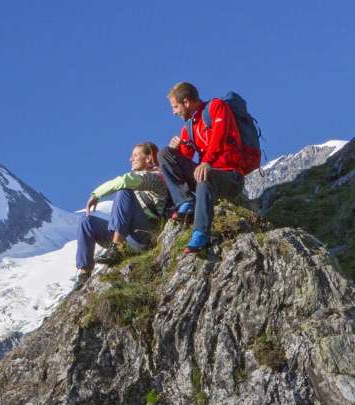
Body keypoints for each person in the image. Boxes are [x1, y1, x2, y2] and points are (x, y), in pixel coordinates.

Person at [159, 81, 258, 253]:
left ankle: (200, 234)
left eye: (175, 107)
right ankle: (185, 202)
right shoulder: (189, 127)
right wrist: (177, 150)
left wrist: (207, 162)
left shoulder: (216, 107)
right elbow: (184, 158)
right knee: (164, 154)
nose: (173, 112)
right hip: (205, 173)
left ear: (187, 102)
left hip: (230, 177)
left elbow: (219, 138)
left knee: (205, 176)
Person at [75, 142, 168, 286]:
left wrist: (96, 195)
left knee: (123, 191)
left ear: (149, 158)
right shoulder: (136, 179)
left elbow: (124, 181)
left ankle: (117, 248)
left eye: (136, 155)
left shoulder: (156, 176)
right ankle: (84, 272)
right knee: (86, 222)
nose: (131, 159)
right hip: (129, 234)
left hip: (144, 234)